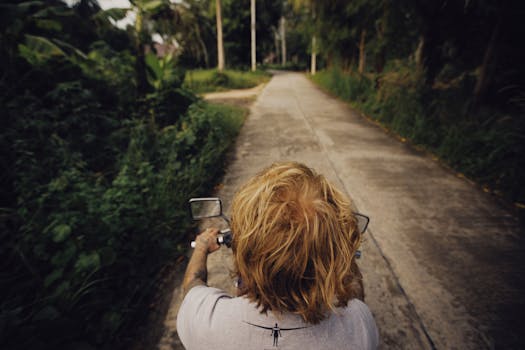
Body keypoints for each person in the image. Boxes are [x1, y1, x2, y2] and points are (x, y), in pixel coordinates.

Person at [177, 162, 379, 349]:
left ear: (245, 250)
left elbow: (192, 284)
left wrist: (202, 247)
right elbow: (355, 299)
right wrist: (343, 251)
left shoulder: (204, 322)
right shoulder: (359, 328)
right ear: (333, 261)